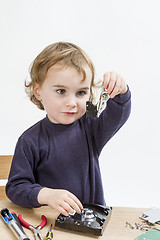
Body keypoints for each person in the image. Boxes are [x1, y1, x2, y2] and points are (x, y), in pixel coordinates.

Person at [6, 42, 131, 216]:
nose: (72, 103)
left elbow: (117, 114)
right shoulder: (29, 140)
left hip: (91, 223)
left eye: (81, 93)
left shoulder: (90, 125)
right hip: (50, 223)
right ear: (38, 91)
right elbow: (16, 187)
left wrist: (121, 91)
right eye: (61, 91)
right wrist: (45, 194)